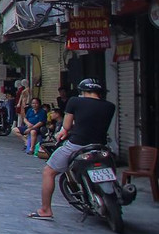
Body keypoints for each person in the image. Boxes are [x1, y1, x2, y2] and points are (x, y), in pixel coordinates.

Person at [31, 78, 115, 220]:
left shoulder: (75, 101)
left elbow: (66, 127)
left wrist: (61, 133)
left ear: (82, 91)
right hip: (100, 147)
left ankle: (45, 210)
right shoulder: (110, 106)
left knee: (49, 172)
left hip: (78, 145)